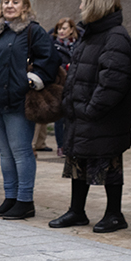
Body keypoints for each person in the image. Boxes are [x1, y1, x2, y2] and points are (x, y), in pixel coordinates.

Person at [0, 0, 60, 220]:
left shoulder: (33, 30)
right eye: (6, 1)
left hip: (18, 100)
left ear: (25, 6)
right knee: (5, 153)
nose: (10, 5)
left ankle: (25, 201)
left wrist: (32, 80)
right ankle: (10, 197)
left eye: (15, 1)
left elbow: (49, 58)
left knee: (21, 152)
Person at [48, 0, 131, 234]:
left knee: (109, 163)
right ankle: (77, 211)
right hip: (82, 113)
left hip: (102, 117)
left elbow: (113, 81)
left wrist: (90, 108)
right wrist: (71, 104)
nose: (80, 6)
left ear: (97, 3)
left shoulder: (116, 35)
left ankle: (115, 214)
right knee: (78, 160)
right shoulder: (91, 33)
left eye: (84, 1)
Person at [52, 17, 79, 157]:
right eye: (59, 29)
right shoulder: (54, 45)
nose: (61, 32)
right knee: (60, 117)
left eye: (64, 28)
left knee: (73, 115)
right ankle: (61, 146)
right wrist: (64, 68)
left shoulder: (78, 45)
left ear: (71, 30)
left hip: (75, 85)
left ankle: (71, 144)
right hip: (60, 85)